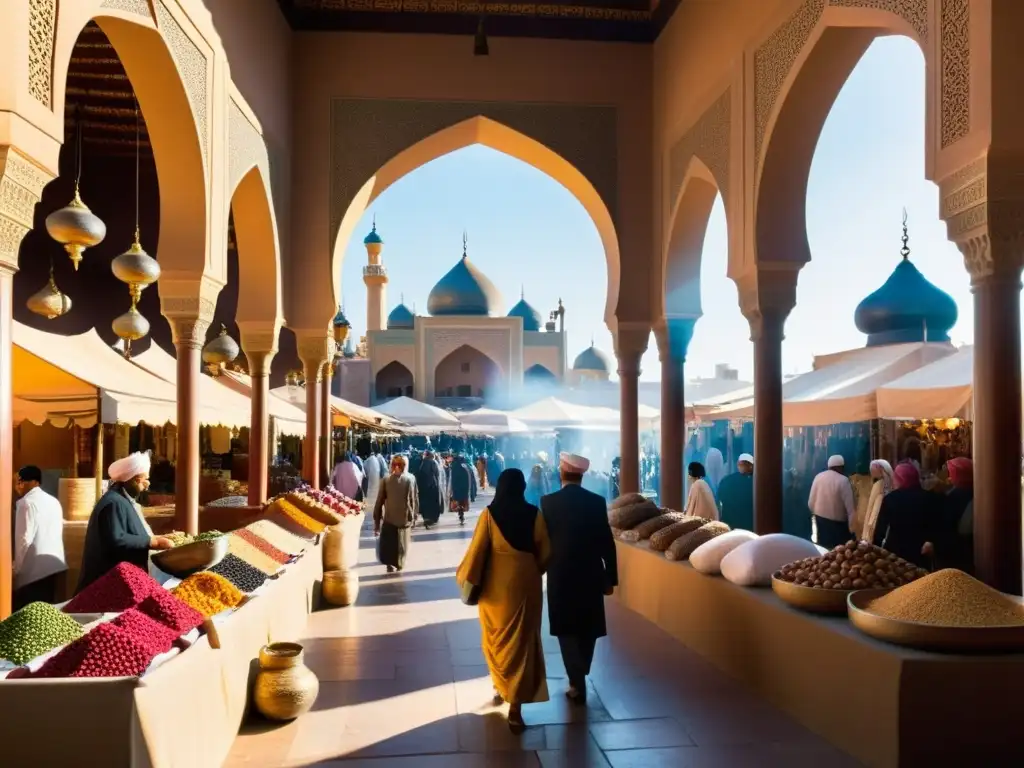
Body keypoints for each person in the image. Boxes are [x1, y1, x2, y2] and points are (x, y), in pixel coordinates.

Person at [457, 469, 550, 733]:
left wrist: (465, 577)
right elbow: (546, 552)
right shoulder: (535, 514)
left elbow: (476, 553)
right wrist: (530, 571)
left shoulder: (489, 514)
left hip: (495, 591)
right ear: (521, 488)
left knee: (496, 640)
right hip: (526, 586)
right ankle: (516, 710)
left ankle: (500, 684)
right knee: (523, 644)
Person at [540, 452, 617, 706]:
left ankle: (576, 679)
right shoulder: (596, 502)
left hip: (560, 575)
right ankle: (581, 670)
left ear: (562, 473)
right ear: (582, 476)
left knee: (566, 628)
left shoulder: (547, 502)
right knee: (588, 625)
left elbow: (542, 541)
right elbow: (607, 543)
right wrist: (610, 578)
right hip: (591, 574)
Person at [77, 452, 173, 593]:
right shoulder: (114, 503)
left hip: (125, 581)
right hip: (109, 584)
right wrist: (153, 542)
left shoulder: (124, 500)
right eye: (144, 480)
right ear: (133, 480)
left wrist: (158, 538)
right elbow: (116, 539)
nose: (147, 484)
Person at [12, 466, 67, 609]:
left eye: (21, 481)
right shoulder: (53, 501)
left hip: (33, 572)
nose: (18, 486)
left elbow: (23, 539)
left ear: (34, 482)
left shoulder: (26, 503)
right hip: (54, 566)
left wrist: (16, 569)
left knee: (28, 616)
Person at [872, 461, 936, 568]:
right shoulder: (929, 497)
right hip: (920, 550)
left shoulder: (891, 499)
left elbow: (881, 528)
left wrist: (876, 548)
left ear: (898, 479)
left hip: (896, 551)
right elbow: (936, 524)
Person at [373, 455, 418, 573]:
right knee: (398, 547)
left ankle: (394, 564)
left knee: (396, 547)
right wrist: (413, 518)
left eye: (400, 465)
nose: (397, 468)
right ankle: (395, 564)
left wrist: (377, 522)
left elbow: (412, 500)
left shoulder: (404, 480)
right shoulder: (392, 480)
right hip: (398, 520)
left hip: (397, 520)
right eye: (395, 465)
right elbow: (413, 501)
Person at [928, 457, 974, 571]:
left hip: (953, 554)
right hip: (970, 551)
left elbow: (944, 527)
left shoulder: (953, 498)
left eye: (951, 473)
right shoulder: (975, 491)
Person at [807, 455, 855, 550]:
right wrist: (852, 530)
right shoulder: (843, 480)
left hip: (820, 521)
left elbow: (810, 502)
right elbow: (850, 508)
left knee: (823, 550)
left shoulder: (818, 477)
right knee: (838, 554)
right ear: (841, 467)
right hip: (838, 526)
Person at [859, 459, 894, 543]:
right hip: (881, 524)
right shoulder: (889, 484)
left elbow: (870, 508)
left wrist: (866, 535)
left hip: (877, 523)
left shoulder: (879, 485)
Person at [717, 453, 754, 531]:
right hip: (748, 525)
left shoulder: (726, 480)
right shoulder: (755, 483)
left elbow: (720, 500)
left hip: (730, 525)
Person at [414, 450, 446, 529]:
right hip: (433, 487)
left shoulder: (425, 463)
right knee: (434, 503)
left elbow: (422, 475)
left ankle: (428, 518)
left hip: (426, 488)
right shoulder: (433, 462)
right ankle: (432, 518)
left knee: (427, 504)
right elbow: (437, 474)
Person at [449, 454, 475, 525]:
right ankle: (461, 515)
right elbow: (471, 478)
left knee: (459, 503)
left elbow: (453, 479)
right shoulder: (466, 466)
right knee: (463, 503)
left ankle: (461, 515)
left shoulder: (454, 466)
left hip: (457, 488)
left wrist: (451, 490)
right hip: (465, 489)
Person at [363, 449, 386, 513]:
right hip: (378, 481)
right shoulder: (378, 459)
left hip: (372, 483)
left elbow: (364, 473)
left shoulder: (368, 461)